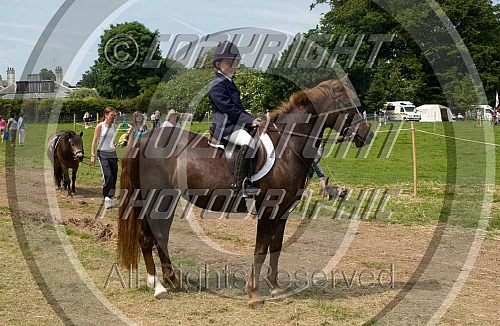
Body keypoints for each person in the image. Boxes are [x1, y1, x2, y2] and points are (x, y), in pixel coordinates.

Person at [208, 41, 263, 197]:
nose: (232, 66)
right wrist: (249, 121)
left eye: (235, 63)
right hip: (225, 126)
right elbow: (228, 109)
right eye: (228, 63)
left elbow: (237, 108)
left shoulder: (228, 82)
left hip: (234, 123)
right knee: (248, 142)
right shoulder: (217, 84)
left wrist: (253, 118)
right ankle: (240, 186)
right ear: (218, 64)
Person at [90, 107, 118, 209]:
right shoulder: (100, 126)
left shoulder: (114, 126)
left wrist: (115, 144)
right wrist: (92, 155)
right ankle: (106, 197)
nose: (113, 117)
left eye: (114, 115)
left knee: (114, 176)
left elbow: (112, 140)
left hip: (113, 154)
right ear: (106, 115)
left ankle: (110, 197)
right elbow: (94, 141)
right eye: (111, 115)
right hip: (102, 154)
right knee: (108, 175)